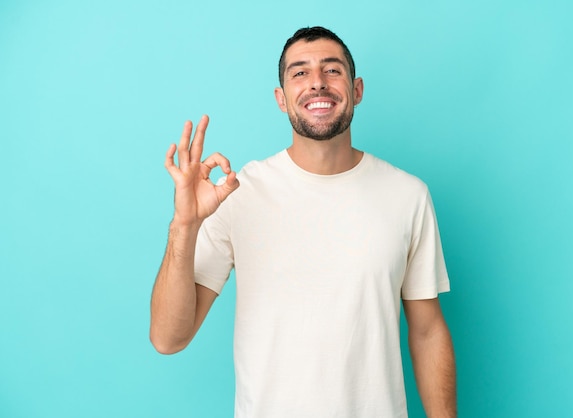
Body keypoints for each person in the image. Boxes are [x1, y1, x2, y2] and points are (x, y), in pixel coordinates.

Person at [150, 26, 456, 418]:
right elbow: (167, 338)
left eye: (332, 70)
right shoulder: (237, 192)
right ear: (281, 99)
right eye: (299, 73)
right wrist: (184, 225)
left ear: (357, 89)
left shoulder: (407, 195)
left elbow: (428, 331)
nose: (317, 83)